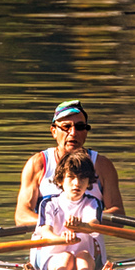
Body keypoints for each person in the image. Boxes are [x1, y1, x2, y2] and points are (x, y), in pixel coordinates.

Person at [15, 98, 124, 229]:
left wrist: (84, 223)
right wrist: (58, 221)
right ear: (54, 131)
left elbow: (118, 216)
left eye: (79, 127)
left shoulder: (103, 166)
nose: (73, 133)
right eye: (66, 127)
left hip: (87, 245)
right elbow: (21, 216)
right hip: (49, 244)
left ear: (86, 132)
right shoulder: (38, 164)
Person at [30, 148, 108, 270]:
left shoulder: (92, 202)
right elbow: (46, 232)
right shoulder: (49, 204)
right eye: (71, 177)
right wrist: (62, 240)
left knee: (83, 255)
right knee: (65, 258)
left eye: (82, 178)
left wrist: (83, 226)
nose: (77, 183)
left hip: (84, 261)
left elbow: (94, 223)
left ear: (89, 182)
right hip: (54, 261)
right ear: (60, 181)